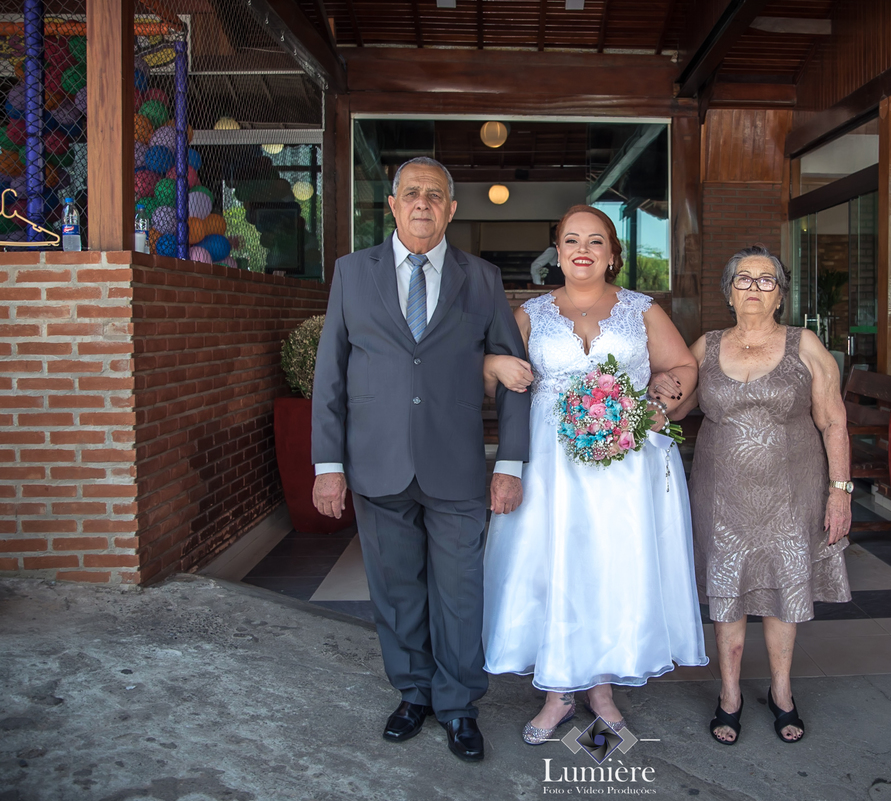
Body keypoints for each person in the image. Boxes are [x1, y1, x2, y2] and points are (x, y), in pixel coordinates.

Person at [310, 156, 530, 763]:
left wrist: (510, 464)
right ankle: (413, 693)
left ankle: (458, 705)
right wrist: (327, 465)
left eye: (435, 194)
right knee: (396, 590)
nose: (423, 203)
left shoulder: (481, 278)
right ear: (393, 204)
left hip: (456, 466)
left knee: (460, 593)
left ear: (451, 209)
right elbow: (330, 373)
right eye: (412, 193)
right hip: (376, 463)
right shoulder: (352, 273)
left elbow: (515, 376)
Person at [481, 204, 708, 745]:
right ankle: (559, 691)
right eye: (571, 240)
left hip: (625, 465)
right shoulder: (529, 314)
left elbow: (683, 368)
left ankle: (602, 686)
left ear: (612, 256)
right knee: (555, 565)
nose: (582, 249)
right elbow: (493, 379)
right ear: (557, 253)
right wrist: (490, 365)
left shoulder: (642, 310)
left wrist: (659, 403)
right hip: (550, 464)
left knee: (613, 565)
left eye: (596, 241)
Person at [668, 245, 852, 746]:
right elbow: (673, 407)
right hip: (721, 495)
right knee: (726, 590)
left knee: (781, 592)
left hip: (790, 493)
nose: (754, 287)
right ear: (729, 293)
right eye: (743, 279)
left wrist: (840, 491)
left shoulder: (804, 344)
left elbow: (833, 421)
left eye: (766, 280)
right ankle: (729, 694)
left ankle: (781, 691)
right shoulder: (705, 346)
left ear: (780, 295)